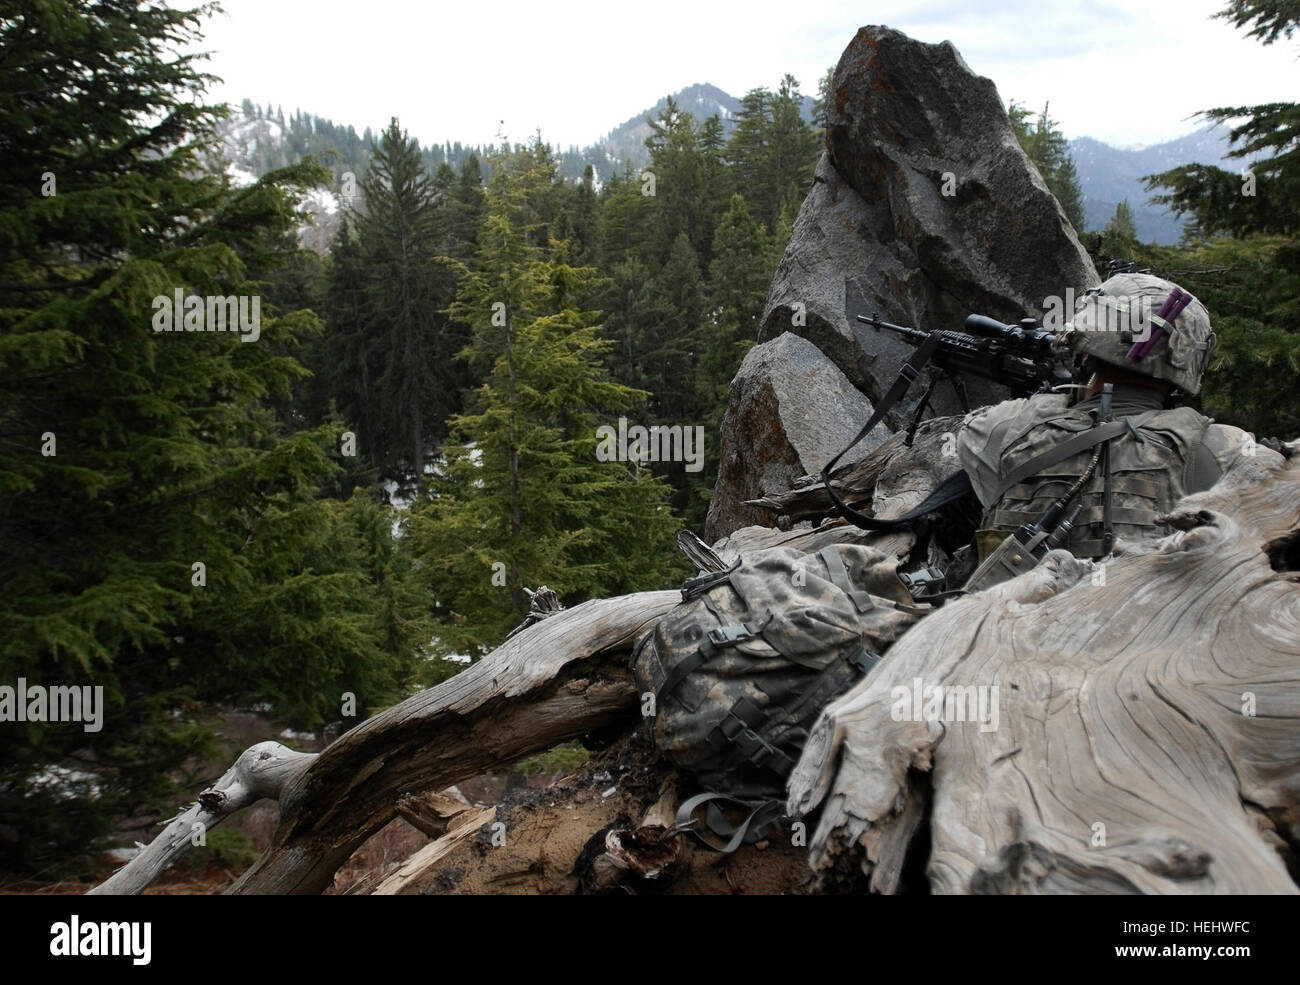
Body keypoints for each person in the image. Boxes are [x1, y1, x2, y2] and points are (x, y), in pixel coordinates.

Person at [954, 272, 1265, 582]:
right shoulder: (1219, 447)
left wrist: (1056, 401)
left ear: (1088, 343)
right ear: (1189, 359)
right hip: (1135, 626)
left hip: (1007, 621)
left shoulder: (999, 426)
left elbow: (983, 462)